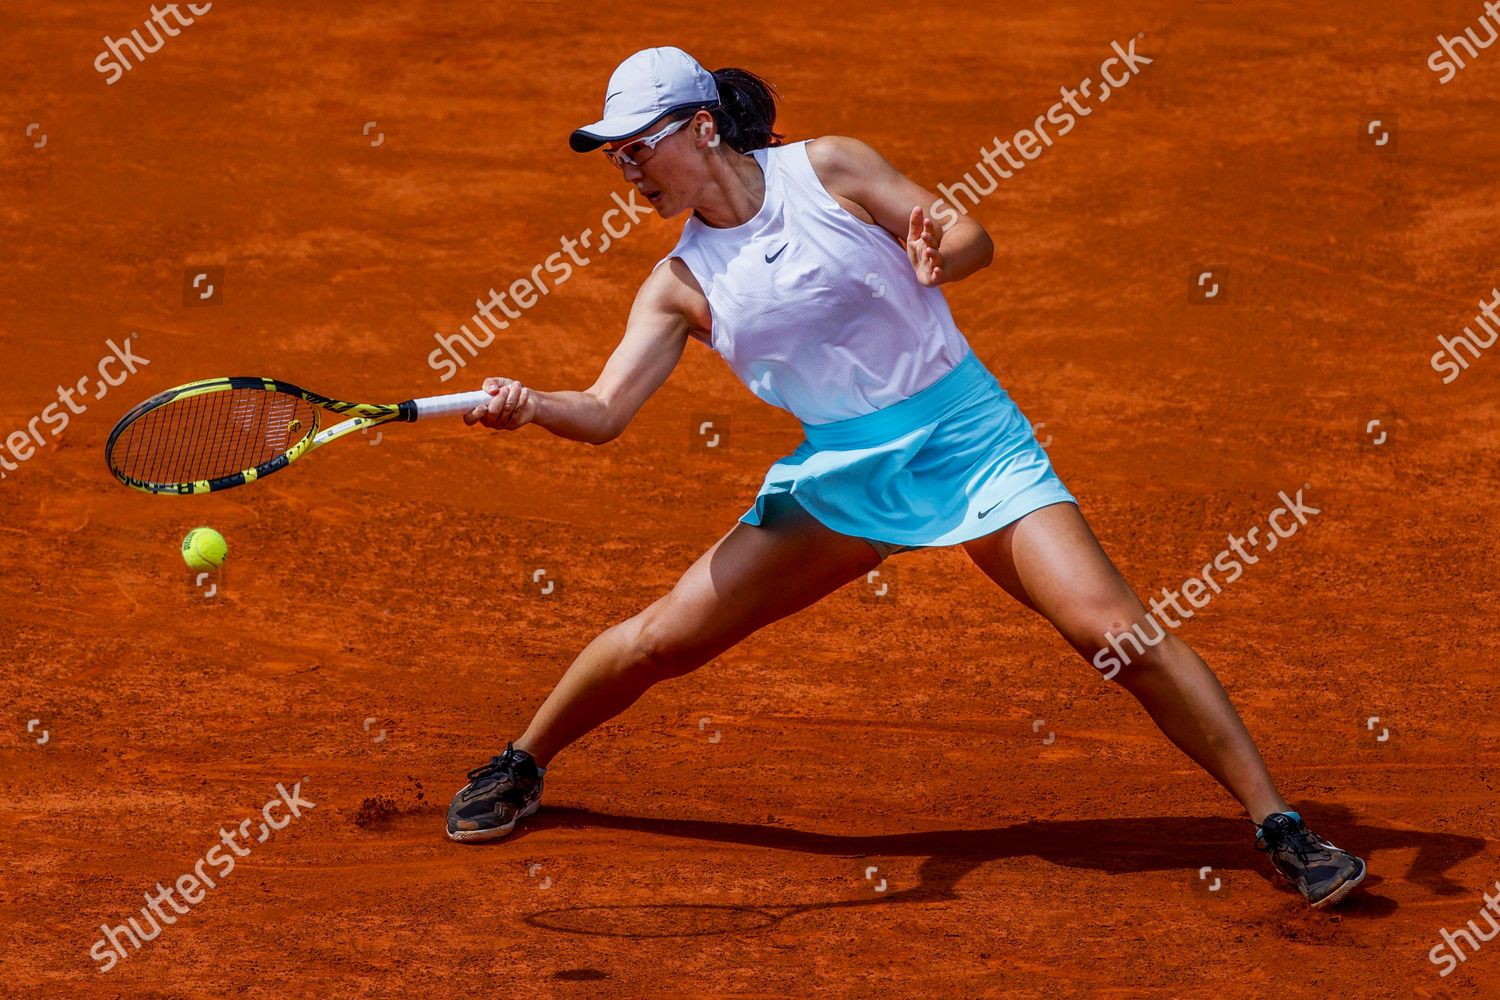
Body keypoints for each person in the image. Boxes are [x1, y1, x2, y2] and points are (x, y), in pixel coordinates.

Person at [445, 46, 1366, 908]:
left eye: (640, 148)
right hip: (845, 477)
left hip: (971, 443)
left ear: (701, 128)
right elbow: (604, 412)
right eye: (616, 158)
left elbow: (969, 235)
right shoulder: (679, 283)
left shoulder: (828, 168)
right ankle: (523, 762)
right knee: (665, 641)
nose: (630, 171)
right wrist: (530, 404)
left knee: (1115, 631)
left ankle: (1281, 827)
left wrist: (942, 256)